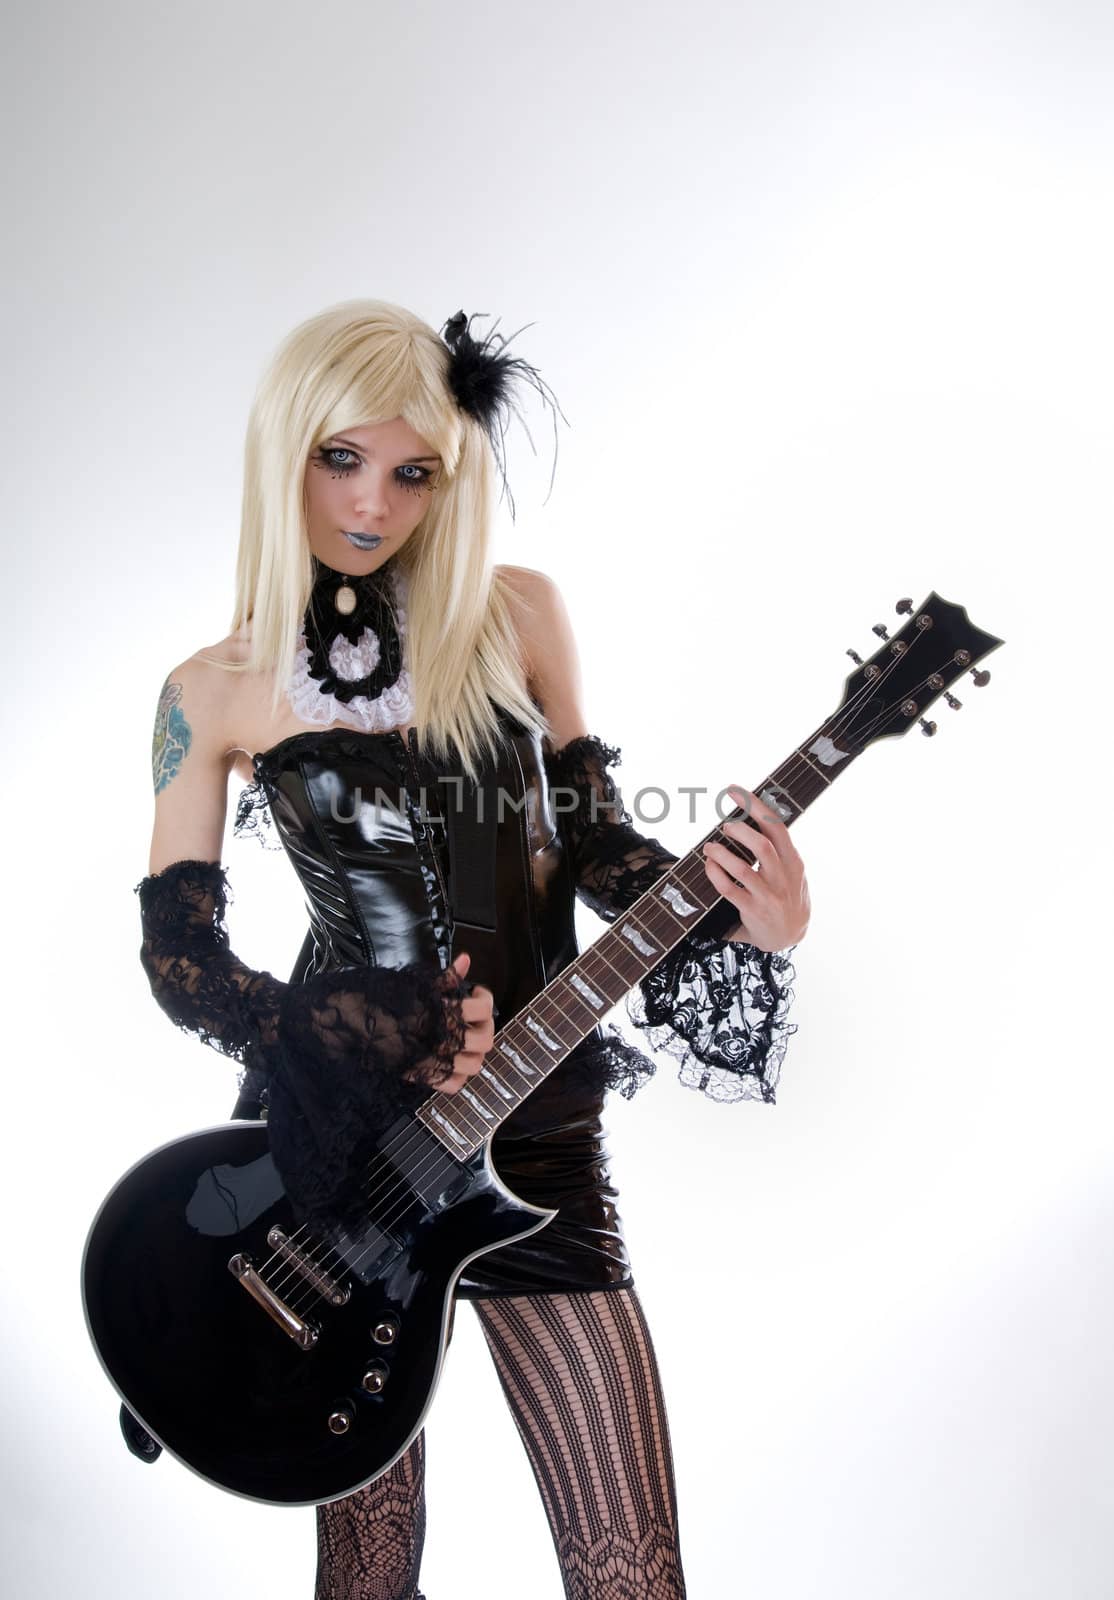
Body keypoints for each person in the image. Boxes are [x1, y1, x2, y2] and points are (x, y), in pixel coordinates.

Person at [134, 299, 809, 1600]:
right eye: (341, 458)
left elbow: (597, 849)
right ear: (284, 454)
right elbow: (182, 963)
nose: (373, 503)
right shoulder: (210, 689)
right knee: (367, 1580)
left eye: (413, 469)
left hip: (533, 1122)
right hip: (330, 1163)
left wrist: (741, 914)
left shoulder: (516, 616)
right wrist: (349, 1041)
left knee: (632, 1580)